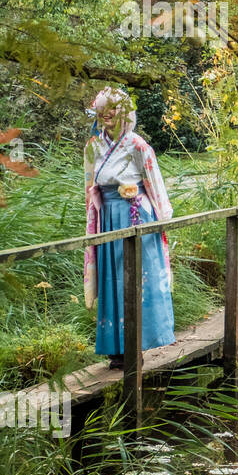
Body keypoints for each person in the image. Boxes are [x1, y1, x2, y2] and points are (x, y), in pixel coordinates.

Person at [83, 88, 175, 370]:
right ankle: (115, 348)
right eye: (102, 110)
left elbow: (155, 186)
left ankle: (136, 345)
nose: (106, 116)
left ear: (124, 113)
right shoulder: (93, 147)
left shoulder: (138, 146)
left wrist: (162, 221)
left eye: (112, 110)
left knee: (135, 279)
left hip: (136, 216)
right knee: (111, 278)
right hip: (107, 216)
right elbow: (89, 187)